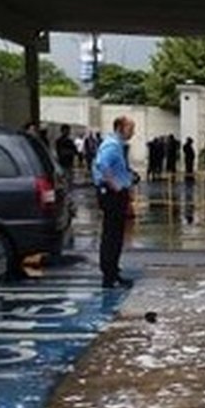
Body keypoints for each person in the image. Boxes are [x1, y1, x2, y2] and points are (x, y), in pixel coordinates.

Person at [92, 116, 136, 289]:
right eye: (130, 128)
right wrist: (116, 186)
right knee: (112, 235)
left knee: (116, 234)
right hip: (112, 194)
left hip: (116, 193)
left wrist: (128, 179)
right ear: (120, 127)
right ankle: (109, 275)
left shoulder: (116, 145)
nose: (133, 132)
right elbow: (102, 165)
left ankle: (113, 272)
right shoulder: (112, 145)